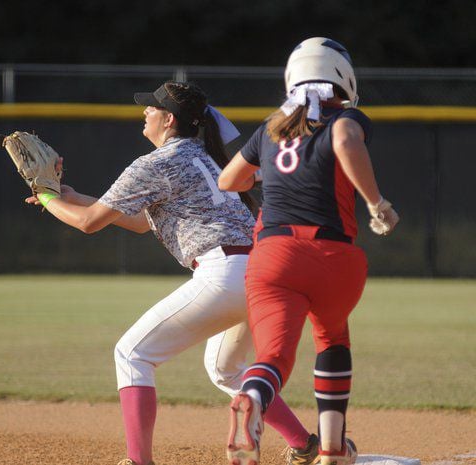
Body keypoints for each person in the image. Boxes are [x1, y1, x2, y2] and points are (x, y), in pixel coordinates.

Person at [26, 81, 320, 465]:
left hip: (226, 273)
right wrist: (72, 195)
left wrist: (47, 196)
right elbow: (140, 222)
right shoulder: (208, 157)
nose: (144, 112)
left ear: (168, 120)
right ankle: (304, 445)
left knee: (132, 355)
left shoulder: (155, 163)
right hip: (264, 273)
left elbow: (88, 224)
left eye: (151, 108)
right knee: (227, 370)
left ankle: (138, 461)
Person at [218, 38, 400, 465]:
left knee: (274, 358)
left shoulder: (271, 127)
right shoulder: (345, 117)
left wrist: (272, 173)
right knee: (333, 338)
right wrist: (378, 204)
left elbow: (229, 181)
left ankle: (251, 399)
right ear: (342, 77)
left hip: (273, 258)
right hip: (333, 257)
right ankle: (334, 450)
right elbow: (345, 140)